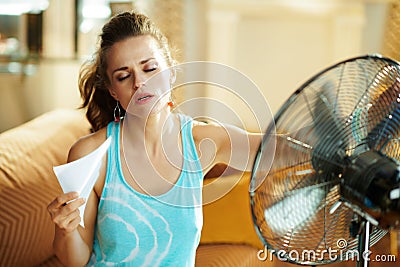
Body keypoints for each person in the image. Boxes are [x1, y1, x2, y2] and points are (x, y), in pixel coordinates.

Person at [47, 11, 261, 266]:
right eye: (124, 76)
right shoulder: (92, 155)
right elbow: (75, 260)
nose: (140, 82)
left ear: (170, 72)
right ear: (114, 91)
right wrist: (65, 229)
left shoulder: (202, 142)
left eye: (150, 68)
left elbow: (279, 150)